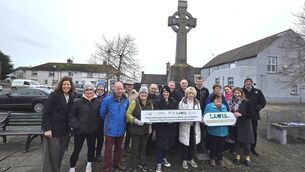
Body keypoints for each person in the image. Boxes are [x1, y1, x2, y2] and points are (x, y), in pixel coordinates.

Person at [41, 76, 75, 172]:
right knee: (51, 156)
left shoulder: (71, 97)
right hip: (53, 131)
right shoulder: (54, 95)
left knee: (60, 155)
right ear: (61, 85)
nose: (66, 86)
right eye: (64, 84)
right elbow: (46, 112)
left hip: (64, 132)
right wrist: (47, 128)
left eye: (68, 84)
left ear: (71, 86)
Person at [69, 82, 100, 172]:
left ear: (94, 91)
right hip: (79, 131)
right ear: (84, 91)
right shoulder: (78, 102)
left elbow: (100, 115)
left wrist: (97, 126)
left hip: (92, 131)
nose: (89, 91)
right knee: (76, 150)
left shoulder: (98, 102)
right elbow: (71, 115)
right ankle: (72, 167)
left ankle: (89, 164)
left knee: (91, 149)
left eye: (91, 90)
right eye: (87, 90)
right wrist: (75, 125)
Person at [100, 81, 129, 172]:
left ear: (123, 89)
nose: (119, 90)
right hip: (110, 130)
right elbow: (102, 113)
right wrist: (108, 123)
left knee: (118, 148)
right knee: (108, 150)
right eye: (117, 89)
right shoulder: (107, 100)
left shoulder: (126, 100)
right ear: (114, 89)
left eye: (121, 88)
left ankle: (117, 163)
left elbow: (127, 114)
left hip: (121, 130)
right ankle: (107, 167)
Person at [126, 86, 153, 172]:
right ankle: (134, 165)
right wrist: (135, 120)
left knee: (143, 148)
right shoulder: (134, 102)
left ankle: (142, 163)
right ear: (139, 94)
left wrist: (151, 121)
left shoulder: (150, 103)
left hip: (145, 130)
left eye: (145, 93)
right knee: (134, 149)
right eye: (142, 93)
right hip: (135, 130)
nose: (143, 94)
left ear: (147, 94)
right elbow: (128, 114)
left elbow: (152, 115)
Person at [154, 85, 178, 172]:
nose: (165, 93)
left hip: (171, 128)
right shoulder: (158, 102)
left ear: (169, 93)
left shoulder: (174, 102)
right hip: (161, 128)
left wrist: (173, 121)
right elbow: (156, 115)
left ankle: (163, 158)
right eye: (164, 92)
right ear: (162, 93)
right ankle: (158, 164)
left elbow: (176, 114)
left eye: (167, 92)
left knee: (168, 144)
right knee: (160, 145)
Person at [229, 88, 254, 167]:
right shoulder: (232, 102)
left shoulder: (246, 102)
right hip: (235, 124)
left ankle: (247, 158)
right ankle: (237, 157)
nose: (236, 94)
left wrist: (241, 115)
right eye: (235, 93)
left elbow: (251, 114)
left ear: (241, 93)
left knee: (246, 141)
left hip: (245, 124)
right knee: (237, 141)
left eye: (238, 93)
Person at [242, 78, 266, 156]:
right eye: (247, 82)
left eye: (249, 82)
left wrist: (257, 108)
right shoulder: (241, 91)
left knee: (253, 132)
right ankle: (242, 147)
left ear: (252, 83)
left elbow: (263, 102)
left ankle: (252, 148)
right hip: (243, 115)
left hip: (254, 115)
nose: (248, 83)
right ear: (244, 83)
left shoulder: (257, 91)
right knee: (243, 131)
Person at [204, 93, 228, 168]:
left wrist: (231, 121)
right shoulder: (209, 106)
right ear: (213, 99)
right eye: (217, 99)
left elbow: (227, 117)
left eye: (220, 99)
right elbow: (205, 116)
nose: (219, 100)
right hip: (213, 130)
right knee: (213, 145)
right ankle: (212, 158)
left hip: (223, 130)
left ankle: (220, 158)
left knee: (221, 145)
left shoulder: (224, 106)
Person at [178, 87, 201, 170]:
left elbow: (199, 113)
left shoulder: (197, 102)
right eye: (189, 93)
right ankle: (184, 159)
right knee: (185, 144)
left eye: (192, 93)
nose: (191, 95)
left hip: (194, 126)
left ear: (194, 94)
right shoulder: (182, 102)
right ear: (186, 94)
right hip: (185, 126)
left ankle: (190, 158)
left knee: (192, 143)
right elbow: (180, 114)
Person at [194, 76, 210, 153]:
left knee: (203, 131)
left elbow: (208, 101)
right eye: (198, 81)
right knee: (195, 130)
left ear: (202, 81)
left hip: (204, 113)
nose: (199, 83)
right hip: (195, 113)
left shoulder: (206, 90)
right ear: (196, 81)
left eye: (201, 81)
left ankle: (202, 146)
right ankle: (195, 146)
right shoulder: (193, 89)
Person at [94, 81, 108, 162]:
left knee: (100, 139)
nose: (100, 89)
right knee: (91, 140)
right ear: (97, 88)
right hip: (92, 122)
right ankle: (91, 154)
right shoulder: (92, 95)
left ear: (104, 88)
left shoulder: (107, 97)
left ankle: (98, 154)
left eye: (102, 87)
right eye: (99, 87)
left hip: (102, 122)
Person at [123, 80, 135, 153]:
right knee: (121, 133)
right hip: (122, 116)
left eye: (131, 84)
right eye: (128, 84)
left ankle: (126, 147)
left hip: (131, 116)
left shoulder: (136, 94)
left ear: (133, 86)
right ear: (125, 85)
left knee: (129, 133)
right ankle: (119, 148)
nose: (129, 86)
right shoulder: (122, 93)